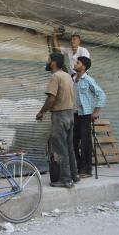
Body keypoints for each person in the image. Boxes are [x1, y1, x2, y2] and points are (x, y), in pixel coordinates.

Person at [36, 52, 78, 188]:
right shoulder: (67, 76)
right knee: (70, 147)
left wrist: (41, 111)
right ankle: (74, 175)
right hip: (70, 114)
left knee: (60, 149)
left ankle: (65, 180)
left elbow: (51, 98)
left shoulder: (55, 76)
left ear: (53, 62)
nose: (47, 62)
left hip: (60, 116)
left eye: (48, 60)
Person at [73, 56, 106, 178]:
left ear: (84, 66)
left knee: (85, 144)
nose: (75, 64)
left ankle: (86, 170)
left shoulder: (88, 80)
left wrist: (97, 111)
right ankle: (77, 166)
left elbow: (101, 94)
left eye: (78, 62)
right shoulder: (74, 79)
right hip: (74, 114)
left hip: (85, 115)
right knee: (72, 142)